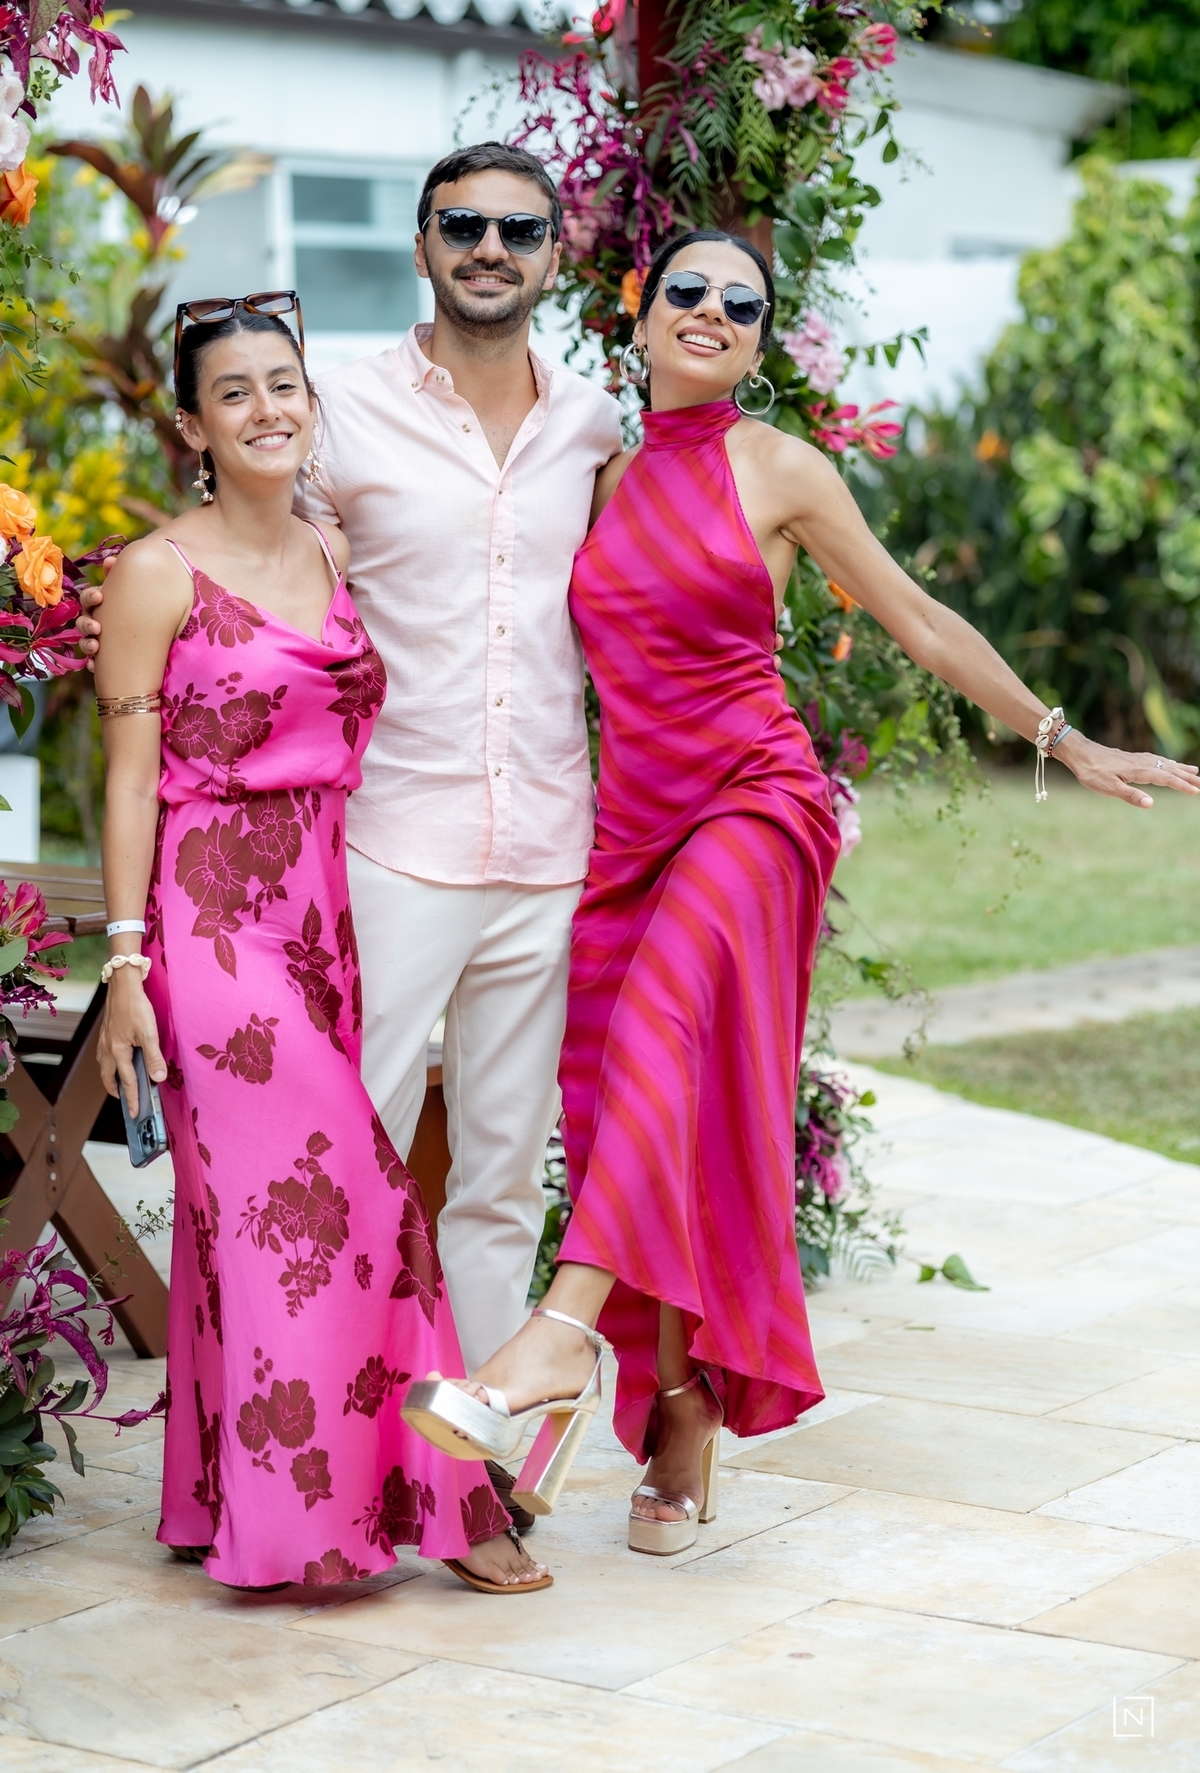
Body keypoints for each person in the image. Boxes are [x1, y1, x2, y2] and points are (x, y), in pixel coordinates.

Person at [404, 228, 1200, 1552]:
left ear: (761, 342)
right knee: (641, 1106)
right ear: (639, 316)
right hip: (630, 834)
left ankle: (555, 1339)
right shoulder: (596, 473)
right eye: (689, 292)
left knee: (662, 1030)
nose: (714, 311)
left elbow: (919, 618)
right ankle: (678, 1406)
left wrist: (1066, 740)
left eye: (744, 304)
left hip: (755, 803)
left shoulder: (779, 467)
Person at [81, 140, 623, 1533]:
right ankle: (329, 1479)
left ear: (555, 252)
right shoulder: (347, 415)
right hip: (380, 850)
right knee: (338, 1181)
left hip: (546, 843)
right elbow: (242, 578)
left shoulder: (593, 423)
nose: (490, 247)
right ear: (423, 241)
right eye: (463, 223)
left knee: (497, 1180)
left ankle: (473, 1473)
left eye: (519, 228)